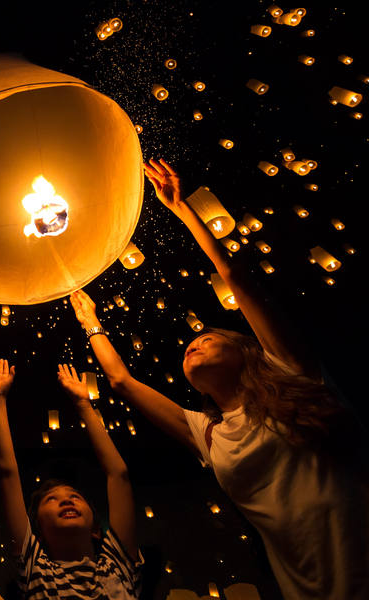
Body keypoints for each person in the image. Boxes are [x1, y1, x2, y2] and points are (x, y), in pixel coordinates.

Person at [66, 158, 369, 599]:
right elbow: (120, 381)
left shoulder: (293, 372)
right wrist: (90, 320)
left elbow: (236, 278)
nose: (194, 343)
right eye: (191, 345)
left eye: (208, 337)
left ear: (248, 350)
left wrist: (182, 208)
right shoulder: (208, 434)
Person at [0, 359, 142, 599]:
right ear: (37, 532)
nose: (66, 501)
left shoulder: (117, 565)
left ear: (96, 530)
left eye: (75, 496)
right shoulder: (36, 570)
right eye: (51, 500)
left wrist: (84, 405)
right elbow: (8, 472)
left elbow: (118, 475)